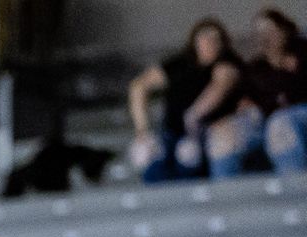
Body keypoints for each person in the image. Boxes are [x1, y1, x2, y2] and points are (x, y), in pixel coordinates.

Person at [128, 18, 250, 182]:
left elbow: (220, 86)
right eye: (204, 37)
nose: (209, 42)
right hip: (172, 134)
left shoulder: (227, 64)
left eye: (215, 38)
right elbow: (139, 86)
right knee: (149, 160)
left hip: (206, 135)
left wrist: (194, 115)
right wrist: (142, 131)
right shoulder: (180, 64)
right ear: (194, 41)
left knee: (188, 156)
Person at [248, 8, 307, 174]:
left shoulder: (302, 51)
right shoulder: (257, 67)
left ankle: (296, 189)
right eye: (259, 33)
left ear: (284, 30)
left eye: (269, 30)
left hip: (300, 112)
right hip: (272, 118)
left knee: (280, 124)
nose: (265, 37)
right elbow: (260, 99)